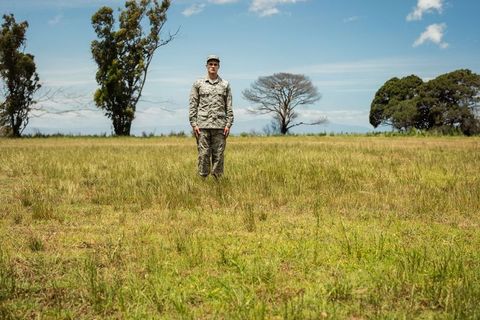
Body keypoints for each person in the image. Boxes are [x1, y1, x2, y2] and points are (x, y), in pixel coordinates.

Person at [189, 55, 234, 178]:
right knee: (203, 154)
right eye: (210, 64)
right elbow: (193, 104)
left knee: (218, 155)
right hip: (202, 125)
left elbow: (229, 106)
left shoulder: (225, 84)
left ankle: (217, 182)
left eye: (215, 64)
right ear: (206, 66)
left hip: (220, 126)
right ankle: (202, 180)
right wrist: (194, 124)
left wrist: (228, 124)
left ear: (218, 67)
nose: (213, 66)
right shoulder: (198, 84)